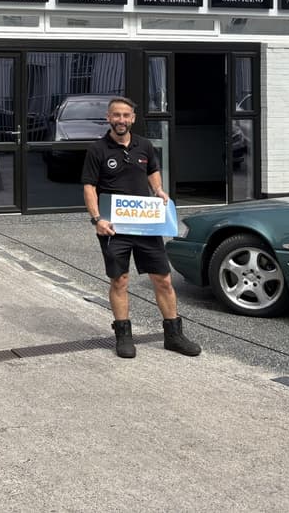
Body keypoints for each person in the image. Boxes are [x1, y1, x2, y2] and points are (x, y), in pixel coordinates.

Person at [82, 96, 200, 359]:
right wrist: (97, 219)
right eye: (116, 115)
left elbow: (153, 171)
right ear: (108, 118)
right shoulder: (97, 150)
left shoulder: (144, 145)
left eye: (126, 115)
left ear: (133, 119)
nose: (121, 120)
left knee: (163, 279)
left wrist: (158, 190)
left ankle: (174, 336)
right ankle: (123, 336)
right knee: (120, 280)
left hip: (145, 224)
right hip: (114, 227)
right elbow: (89, 186)